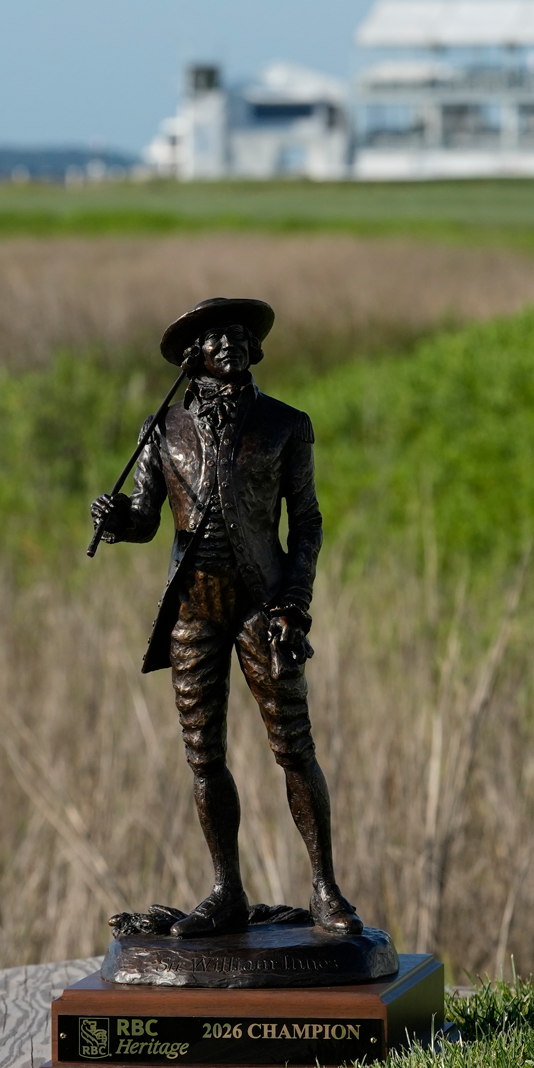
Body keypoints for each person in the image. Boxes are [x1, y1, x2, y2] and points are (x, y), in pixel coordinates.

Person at [88, 297, 363, 937]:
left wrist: (295, 604)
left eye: (239, 335)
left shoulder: (285, 425)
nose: (230, 344)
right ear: (194, 355)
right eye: (215, 338)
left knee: (294, 747)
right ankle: (226, 891)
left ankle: (326, 890)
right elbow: (146, 517)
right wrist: (118, 519)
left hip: (264, 608)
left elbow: (308, 523)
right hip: (194, 612)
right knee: (203, 755)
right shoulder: (163, 429)